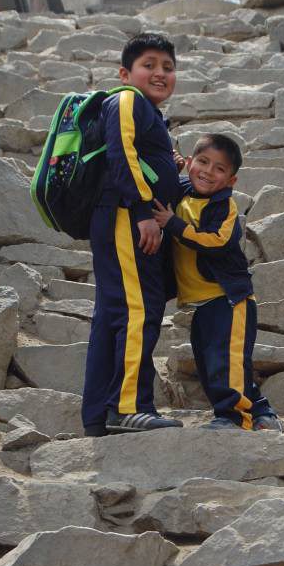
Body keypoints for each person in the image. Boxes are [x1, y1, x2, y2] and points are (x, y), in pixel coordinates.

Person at [81, 33, 183, 436]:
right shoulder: (127, 99)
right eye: (150, 64)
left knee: (113, 315)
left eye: (168, 67)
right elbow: (120, 152)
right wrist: (143, 211)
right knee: (137, 310)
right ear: (125, 73)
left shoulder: (150, 113)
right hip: (124, 216)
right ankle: (127, 407)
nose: (160, 72)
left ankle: (97, 416)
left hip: (123, 214)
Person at [153, 133, 282, 431]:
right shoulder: (183, 191)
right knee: (215, 363)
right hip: (204, 303)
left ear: (232, 181)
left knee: (226, 362)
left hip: (229, 298)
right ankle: (263, 414)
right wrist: (170, 167)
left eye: (220, 169)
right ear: (189, 163)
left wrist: (173, 224)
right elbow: (166, 186)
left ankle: (235, 418)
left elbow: (217, 241)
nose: (209, 172)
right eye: (203, 162)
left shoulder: (225, 207)